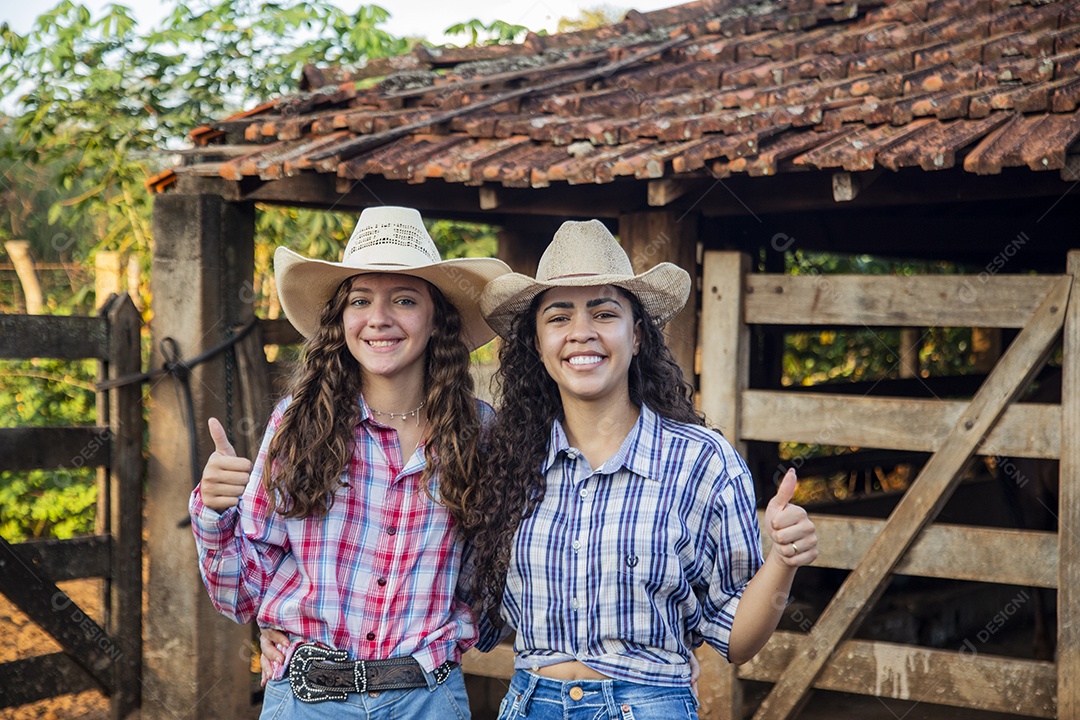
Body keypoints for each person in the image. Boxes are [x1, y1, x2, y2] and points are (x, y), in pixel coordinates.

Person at [464, 219, 818, 719]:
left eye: (604, 313)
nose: (581, 333)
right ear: (537, 344)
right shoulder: (507, 461)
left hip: (650, 705)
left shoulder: (702, 463)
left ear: (637, 337)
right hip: (530, 703)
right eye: (559, 317)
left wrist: (783, 560)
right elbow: (470, 611)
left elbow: (738, 641)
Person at [189, 205, 510, 719]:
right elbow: (242, 597)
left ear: (437, 321)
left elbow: (490, 576)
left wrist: (460, 631)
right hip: (307, 702)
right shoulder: (297, 427)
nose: (379, 319)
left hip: (427, 700)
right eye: (361, 301)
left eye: (404, 300)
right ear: (342, 320)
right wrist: (214, 512)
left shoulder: (480, 432)